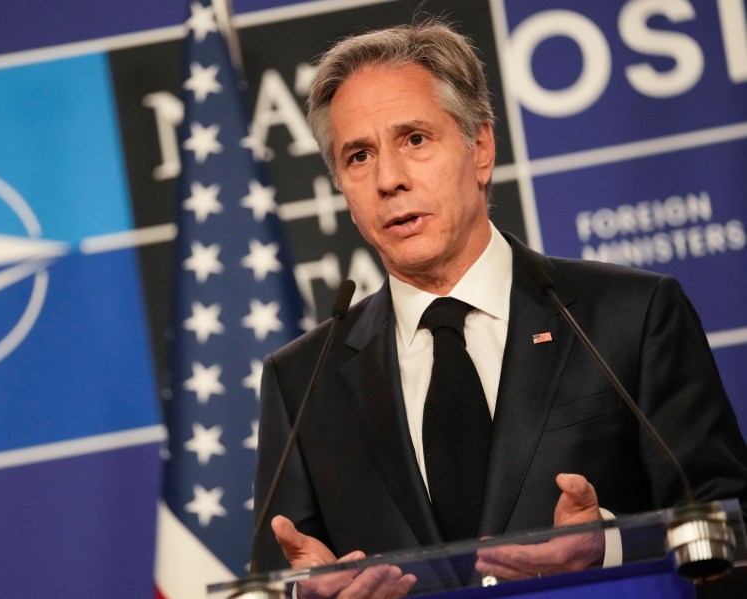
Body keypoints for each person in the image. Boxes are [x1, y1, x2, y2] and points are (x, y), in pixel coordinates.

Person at [252, 20, 747, 597]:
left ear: (480, 149)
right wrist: (301, 594)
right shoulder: (302, 380)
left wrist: (609, 545)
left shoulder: (628, 317)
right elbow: (277, 577)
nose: (389, 179)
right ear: (343, 188)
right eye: (359, 156)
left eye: (414, 139)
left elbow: (728, 528)